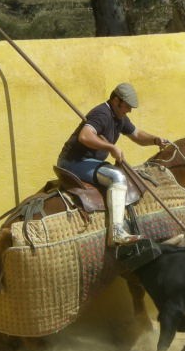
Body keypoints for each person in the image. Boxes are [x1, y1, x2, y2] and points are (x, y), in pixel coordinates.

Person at [57, 83, 169, 246]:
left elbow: (137, 134)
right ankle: (116, 232)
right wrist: (110, 147)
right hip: (73, 162)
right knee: (117, 176)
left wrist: (154, 140)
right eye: (127, 106)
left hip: (90, 162)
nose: (129, 110)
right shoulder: (102, 113)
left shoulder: (119, 117)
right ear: (116, 101)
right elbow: (85, 136)